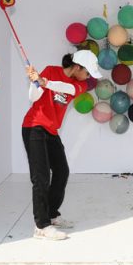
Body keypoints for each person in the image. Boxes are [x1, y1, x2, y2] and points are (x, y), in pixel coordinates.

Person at [22, 50, 102, 240]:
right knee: (40, 177)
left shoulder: (78, 84)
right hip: (34, 127)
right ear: (77, 67)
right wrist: (35, 81)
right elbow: (33, 98)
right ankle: (41, 226)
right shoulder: (50, 70)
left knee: (62, 171)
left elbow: (66, 89)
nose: (88, 77)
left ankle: (51, 214)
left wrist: (45, 82)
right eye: (87, 72)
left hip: (51, 130)